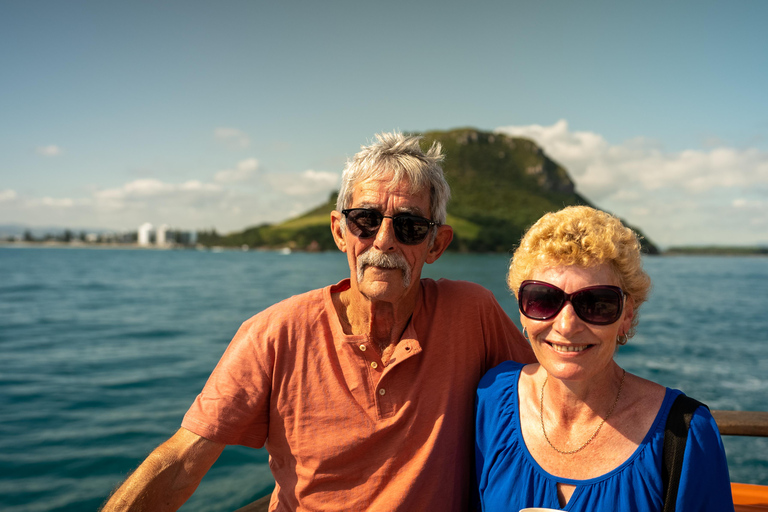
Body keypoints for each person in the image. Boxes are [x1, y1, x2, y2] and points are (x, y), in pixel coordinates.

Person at [102, 132, 534, 512]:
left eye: (409, 226)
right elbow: (183, 461)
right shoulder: (276, 333)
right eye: (365, 220)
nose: (383, 240)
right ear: (339, 230)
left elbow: (554, 391)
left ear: (436, 244)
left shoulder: (470, 313)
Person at [474, 206, 734, 511]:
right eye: (544, 299)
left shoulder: (685, 434)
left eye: (596, 303)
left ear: (627, 316)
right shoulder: (492, 400)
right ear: (522, 310)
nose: (566, 325)